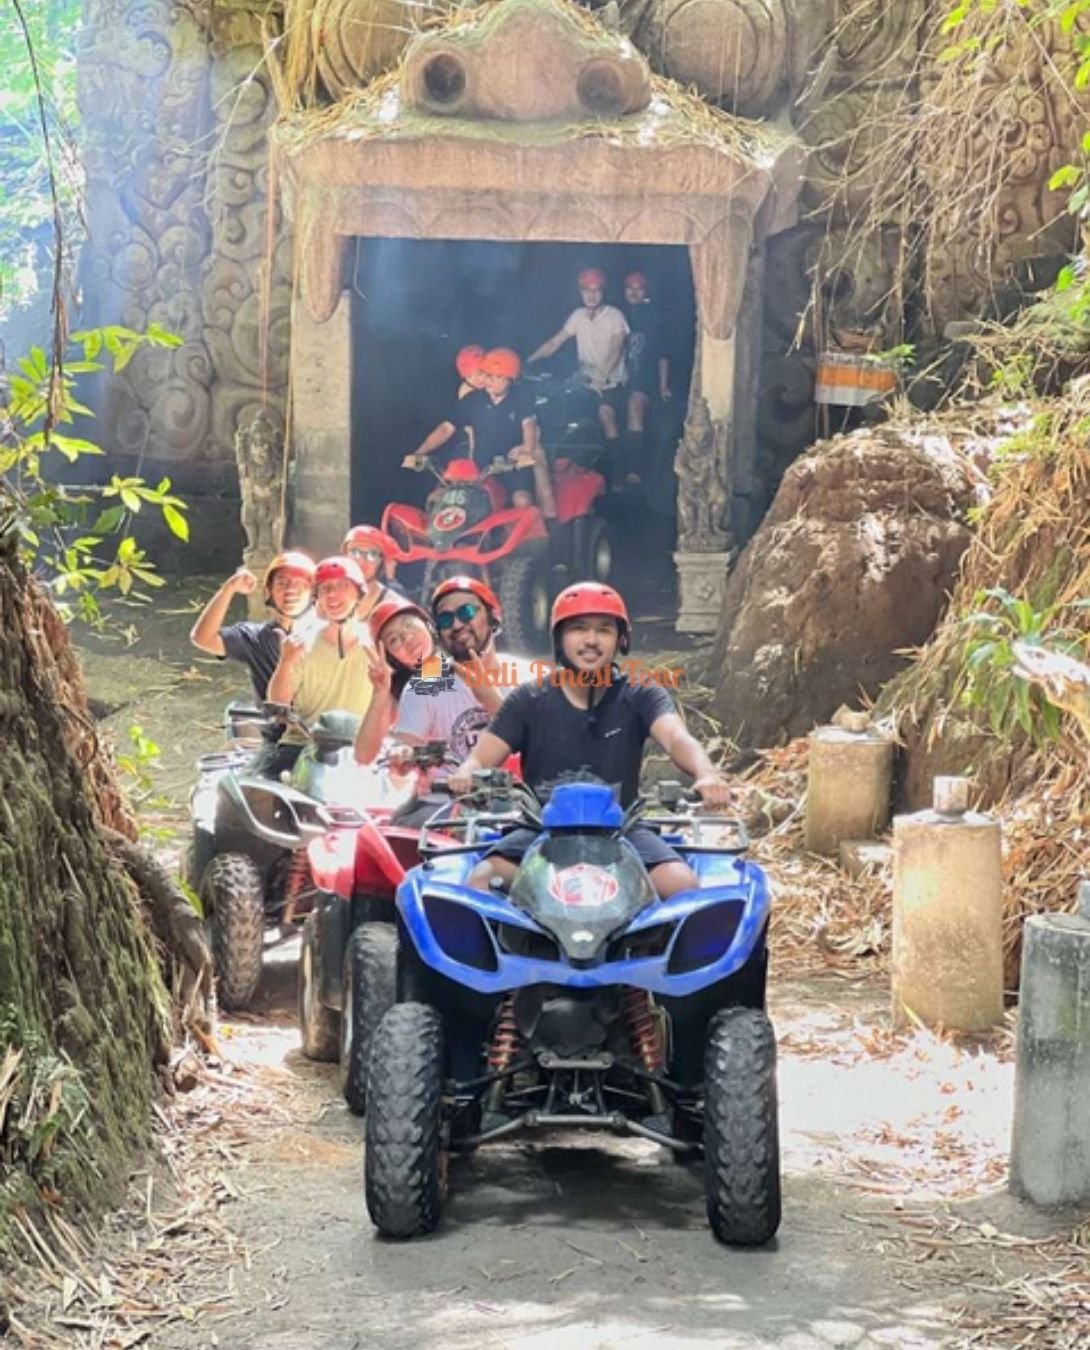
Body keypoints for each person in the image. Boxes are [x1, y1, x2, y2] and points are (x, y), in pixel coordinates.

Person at [449, 582, 731, 900]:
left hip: (622, 828)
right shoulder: (528, 699)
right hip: (539, 828)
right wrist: (466, 772)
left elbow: (677, 737)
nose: (591, 640)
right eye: (579, 628)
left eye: (604, 630)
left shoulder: (641, 693)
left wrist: (706, 773)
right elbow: (482, 755)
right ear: (559, 637)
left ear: (621, 639)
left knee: (682, 885)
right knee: (482, 881)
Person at [353, 583, 511, 767]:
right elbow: (367, 755)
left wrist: (491, 699)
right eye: (394, 640)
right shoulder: (414, 688)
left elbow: (535, 739)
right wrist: (380, 697)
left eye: (409, 625)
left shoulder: (524, 675)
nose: (408, 639)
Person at [264, 555, 375, 773]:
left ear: (359, 593)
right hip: (303, 744)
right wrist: (286, 663)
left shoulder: (377, 642)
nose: (332, 594)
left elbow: (421, 674)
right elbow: (277, 704)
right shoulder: (302, 641)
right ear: (317, 597)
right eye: (325, 589)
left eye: (342, 586)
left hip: (359, 749)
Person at [527, 267, 629, 473]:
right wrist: (528, 361)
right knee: (563, 414)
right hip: (586, 383)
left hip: (612, 384)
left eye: (596, 290)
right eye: (586, 290)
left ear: (603, 292)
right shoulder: (578, 316)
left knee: (606, 416)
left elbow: (617, 348)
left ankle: (620, 471)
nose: (591, 295)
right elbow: (554, 343)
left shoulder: (615, 316)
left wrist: (603, 375)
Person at [189, 551, 315, 701]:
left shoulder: (327, 633)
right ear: (268, 592)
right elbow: (203, 638)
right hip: (275, 715)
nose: (290, 590)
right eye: (282, 583)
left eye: (300, 583)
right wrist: (229, 589)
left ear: (313, 592)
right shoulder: (255, 638)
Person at [621, 271, 671, 486]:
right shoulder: (616, 315)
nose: (634, 292)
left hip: (644, 379)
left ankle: (634, 469)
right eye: (630, 287)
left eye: (638, 288)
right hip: (618, 379)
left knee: (635, 407)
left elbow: (662, 356)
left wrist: (663, 386)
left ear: (645, 292)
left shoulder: (653, 319)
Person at [403, 344, 487, 469]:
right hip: (468, 447)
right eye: (469, 376)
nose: (476, 379)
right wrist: (418, 453)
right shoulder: (468, 393)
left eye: (479, 373)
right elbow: (448, 427)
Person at [341, 524, 404, 623]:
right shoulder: (328, 595)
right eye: (354, 552)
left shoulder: (394, 603)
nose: (362, 561)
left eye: (372, 554)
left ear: (381, 562)